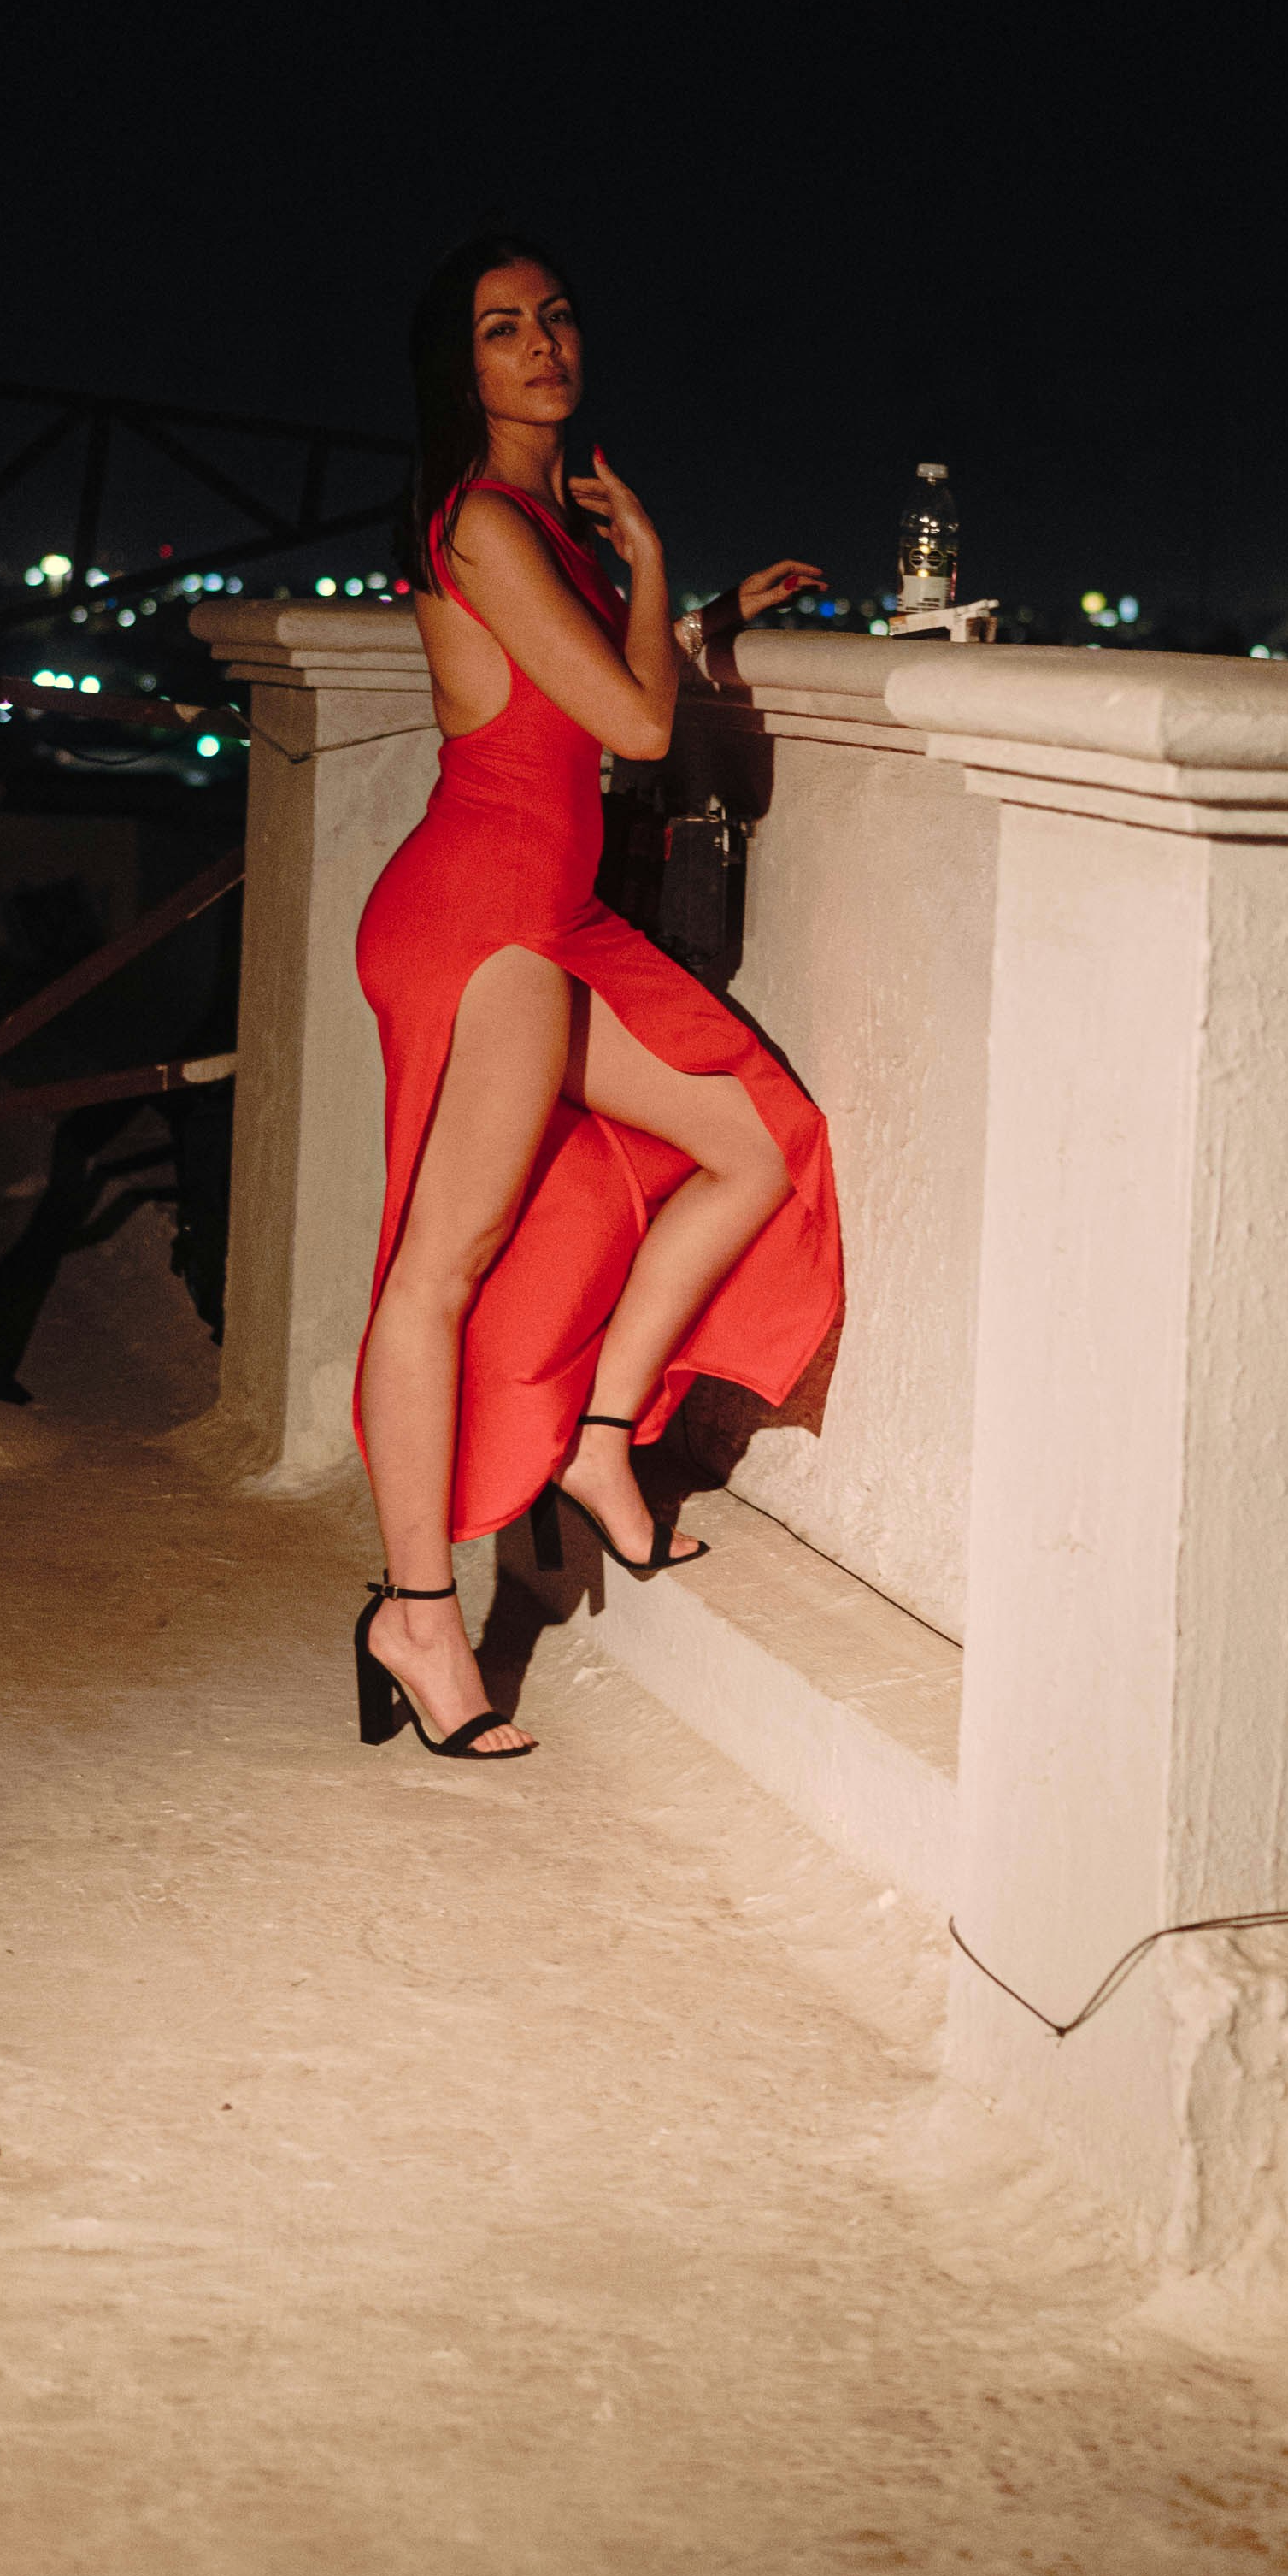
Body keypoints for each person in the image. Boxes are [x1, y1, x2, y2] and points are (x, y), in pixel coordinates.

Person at [348, 233, 844, 1760]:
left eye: (556, 319)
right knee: (440, 1267)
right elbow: (630, 725)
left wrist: (698, 626)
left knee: (759, 1144)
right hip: (484, 927)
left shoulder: (538, 532)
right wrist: (654, 566)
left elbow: (600, 696)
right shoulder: (485, 522)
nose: (544, 346)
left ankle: (604, 1437)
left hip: (549, 921)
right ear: (464, 368)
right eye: (505, 331)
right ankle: (417, 1613)